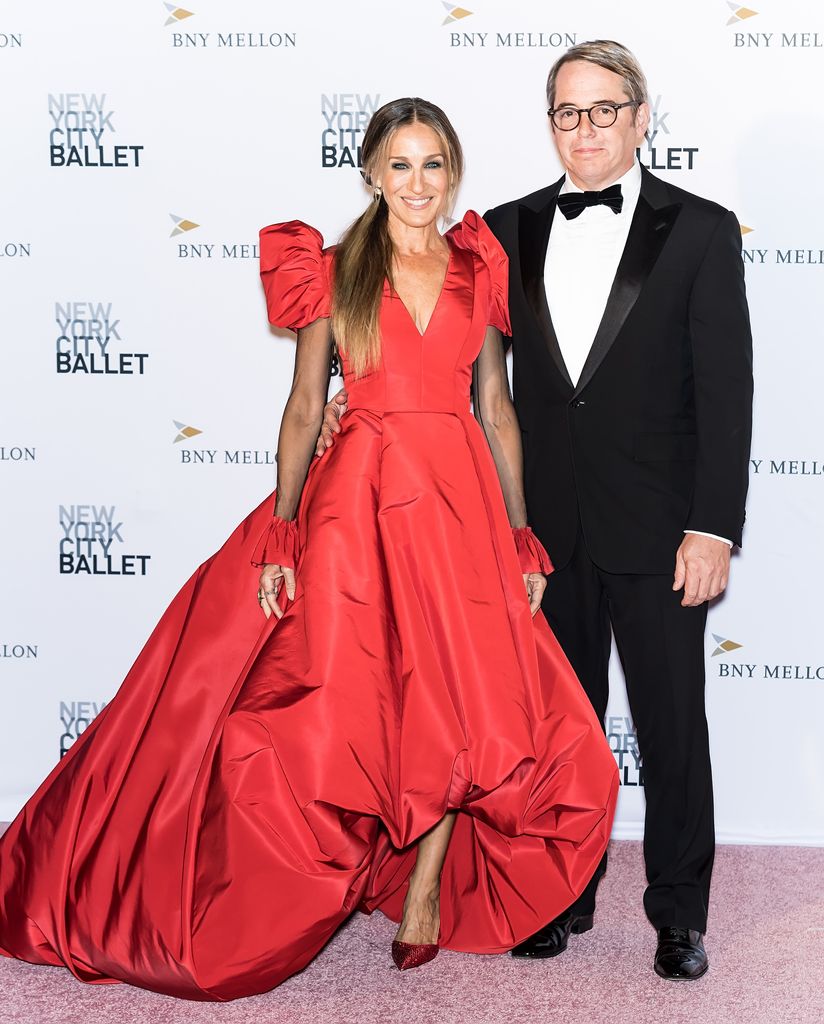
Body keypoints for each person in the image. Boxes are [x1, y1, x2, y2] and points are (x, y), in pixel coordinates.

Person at [0, 97, 618, 1001]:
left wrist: (521, 534)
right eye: (400, 165)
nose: (417, 184)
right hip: (357, 501)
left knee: (458, 697)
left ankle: (420, 889)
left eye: (434, 165)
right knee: (340, 698)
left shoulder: (479, 269)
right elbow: (300, 408)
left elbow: (497, 408)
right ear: (370, 172)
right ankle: (315, 879)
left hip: (455, 504)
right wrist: (285, 526)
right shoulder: (328, 272)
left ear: (454, 175)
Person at [320, 45, 753, 981]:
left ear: (643, 117)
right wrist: (336, 403)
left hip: (662, 526)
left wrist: (714, 526)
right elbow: (423, 328)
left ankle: (679, 913)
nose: (587, 128)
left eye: (606, 110)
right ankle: (559, 895)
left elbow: (727, 393)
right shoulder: (500, 232)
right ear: (549, 123)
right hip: (534, 529)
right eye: (568, 112)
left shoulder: (703, 231)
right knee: (553, 725)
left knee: (673, 723)